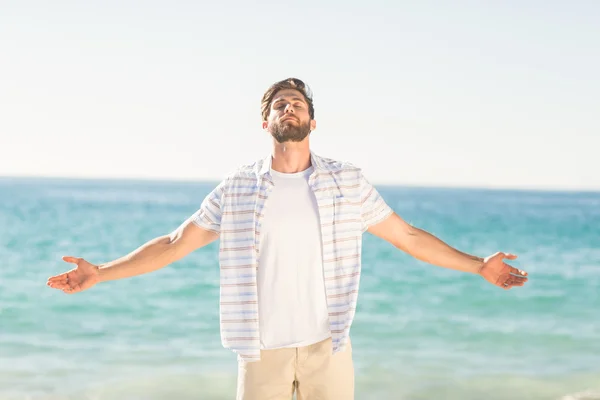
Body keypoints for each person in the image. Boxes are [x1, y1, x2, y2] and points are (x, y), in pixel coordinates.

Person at [47, 77, 529, 400]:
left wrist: (476, 264)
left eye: (297, 102)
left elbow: (407, 236)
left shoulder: (347, 182)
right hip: (262, 350)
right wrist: (102, 273)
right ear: (266, 123)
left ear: (312, 122)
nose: (288, 106)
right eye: (279, 103)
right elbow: (175, 243)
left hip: (328, 346)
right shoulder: (237, 187)